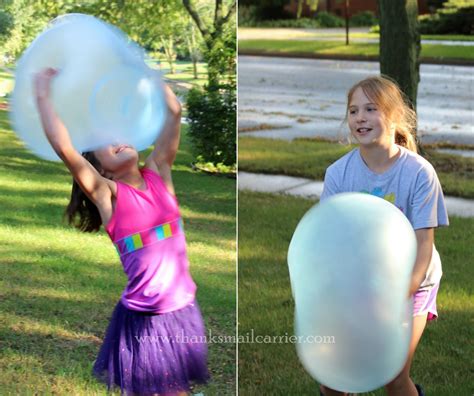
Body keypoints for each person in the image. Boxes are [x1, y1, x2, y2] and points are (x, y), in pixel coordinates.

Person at [34, 67, 209, 395]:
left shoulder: (160, 173)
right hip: (146, 318)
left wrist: (156, 83)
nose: (118, 139)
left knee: (177, 388)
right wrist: (43, 94)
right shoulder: (108, 194)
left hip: (183, 307)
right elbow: (64, 148)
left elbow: (174, 113)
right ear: (99, 168)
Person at [319, 76, 448, 396]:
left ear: (393, 117)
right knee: (334, 378)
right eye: (353, 110)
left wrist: (399, 294)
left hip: (413, 281)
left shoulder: (419, 173)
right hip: (362, 282)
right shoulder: (339, 174)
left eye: (370, 109)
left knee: (391, 374)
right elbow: (332, 238)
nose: (360, 117)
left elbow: (423, 244)